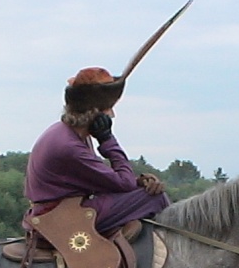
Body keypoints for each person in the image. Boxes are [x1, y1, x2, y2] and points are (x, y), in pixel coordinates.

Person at [22, 67, 170, 237]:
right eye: (107, 111)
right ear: (96, 114)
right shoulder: (70, 147)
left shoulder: (67, 134)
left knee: (144, 193)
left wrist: (140, 182)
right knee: (153, 198)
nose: (112, 116)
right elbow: (125, 183)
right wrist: (108, 140)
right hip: (59, 217)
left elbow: (111, 181)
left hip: (60, 210)